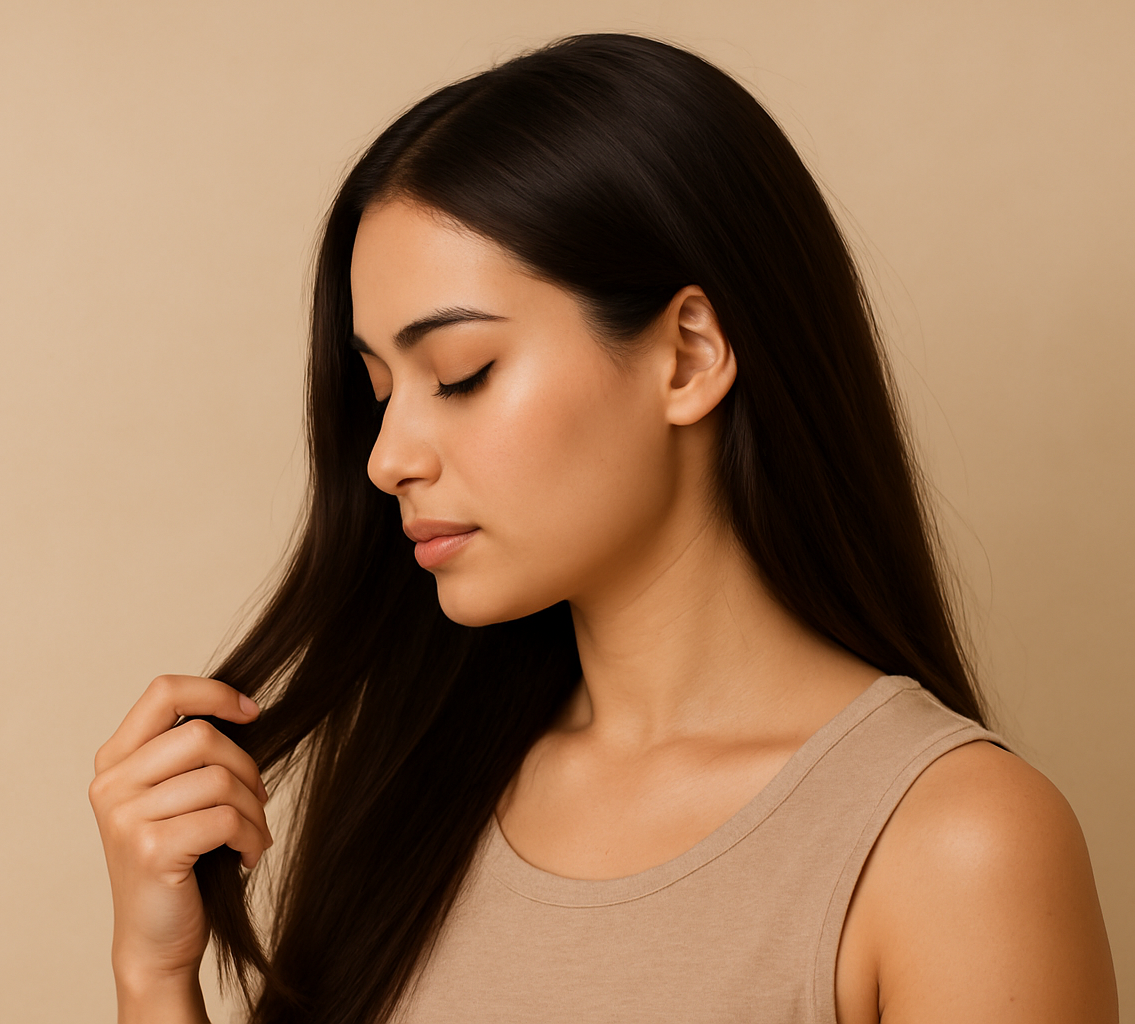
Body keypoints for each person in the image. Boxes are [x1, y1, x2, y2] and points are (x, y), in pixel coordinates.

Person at [88, 33, 1118, 1024]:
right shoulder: (416, 791)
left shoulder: (951, 844)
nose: (388, 456)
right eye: (379, 391)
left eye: (460, 374)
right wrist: (154, 972)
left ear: (687, 354)